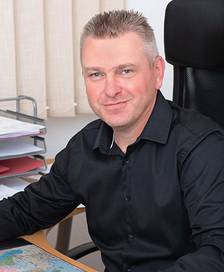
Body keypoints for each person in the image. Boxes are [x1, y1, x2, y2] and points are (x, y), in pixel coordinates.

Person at [0, 10, 224, 272]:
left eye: (125, 71)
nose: (110, 90)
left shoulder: (202, 147)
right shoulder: (85, 146)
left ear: (157, 72)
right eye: (96, 74)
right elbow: (27, 210)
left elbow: (217, 252)